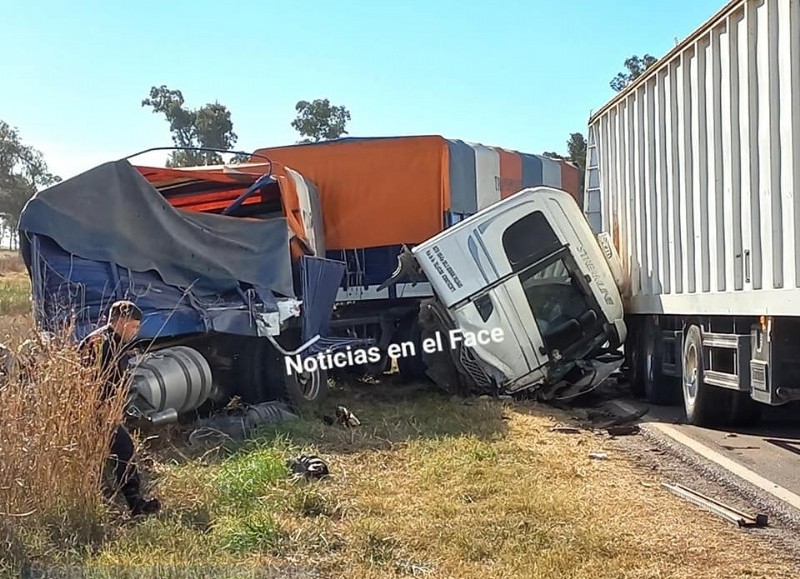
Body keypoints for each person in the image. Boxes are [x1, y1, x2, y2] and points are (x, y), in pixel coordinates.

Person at [78, 300, 160, 517]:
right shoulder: (102, 344)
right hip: (94, 411)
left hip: (103, 411)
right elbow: (94, 383)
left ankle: (128, 503)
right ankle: (130, 505)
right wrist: (103, 411)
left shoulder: (112, 341)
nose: (136, 331)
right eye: (134, 326)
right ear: (122, 322)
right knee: (122, 449)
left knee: (116, 452)